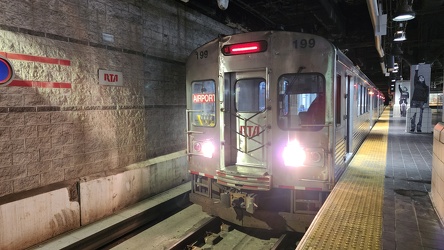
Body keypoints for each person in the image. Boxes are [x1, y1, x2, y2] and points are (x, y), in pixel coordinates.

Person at [410, 65, 429, 132]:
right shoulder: (416, 84)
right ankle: (412, 127)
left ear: (424, 79)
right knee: (413, 114)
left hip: (421, 102)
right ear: (418, 79)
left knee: (420, 115)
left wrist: (425, 103)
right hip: (414, 101)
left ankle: (418, 128)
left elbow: (426, 95)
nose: (421, 78)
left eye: (422, 77)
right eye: (420, 77)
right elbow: (415, 77)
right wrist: (416, 70)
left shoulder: (426, 87)